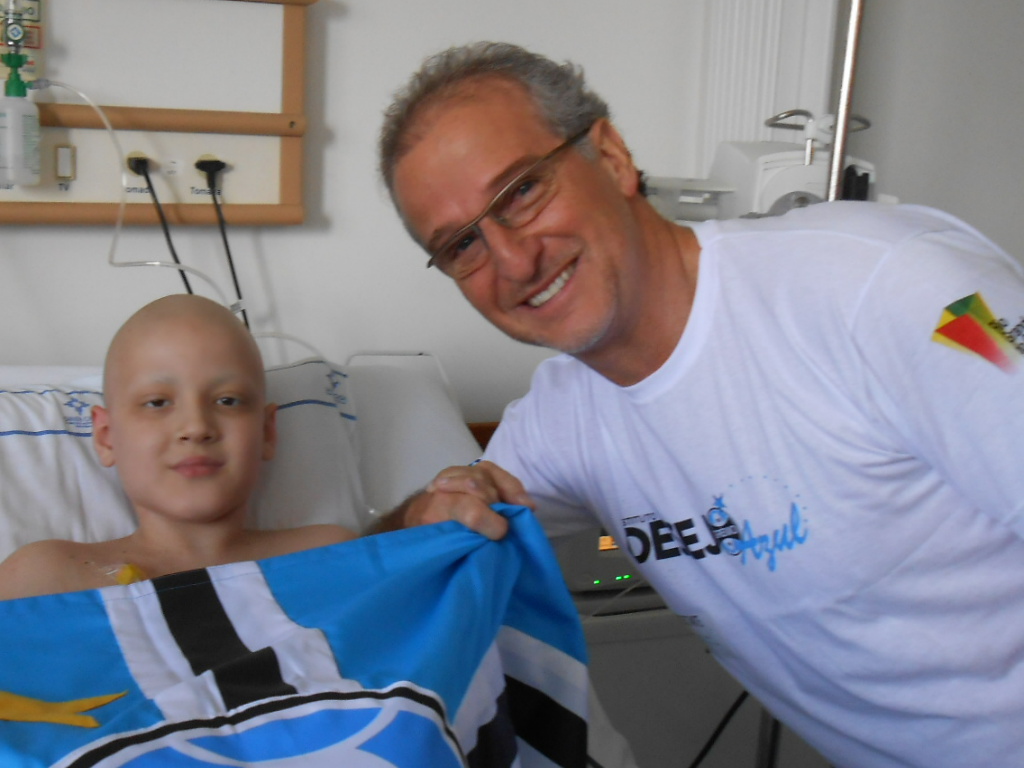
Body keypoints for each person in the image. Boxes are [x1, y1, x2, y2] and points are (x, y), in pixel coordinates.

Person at [375, 41, 1024, 767]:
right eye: (463, 244)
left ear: (612, 157)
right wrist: (423, 513)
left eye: (523, 191)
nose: (514, 261)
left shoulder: (901, 287)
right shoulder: (559, 426)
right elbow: (426, 542)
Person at [0, 294, 356, 600]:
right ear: (107, 437)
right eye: (157, 403)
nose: (196, 427)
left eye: (228, 401)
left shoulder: (333, 559)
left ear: (266, 432)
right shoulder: (46, 580)